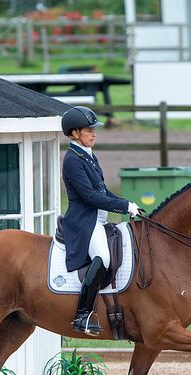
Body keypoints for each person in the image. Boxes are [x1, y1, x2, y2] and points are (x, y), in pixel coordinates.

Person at [60, 106, 140, 336]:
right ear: (74, 133)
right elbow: (90, 197)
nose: (94, 134)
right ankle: (82, 315)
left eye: (94, 130)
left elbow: (103, 190)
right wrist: (123, 206)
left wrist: (128, 204)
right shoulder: (72, 160)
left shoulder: (88, 155)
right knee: (103, 257)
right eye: (89, 130)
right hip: (84, 223)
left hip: (98, 219)